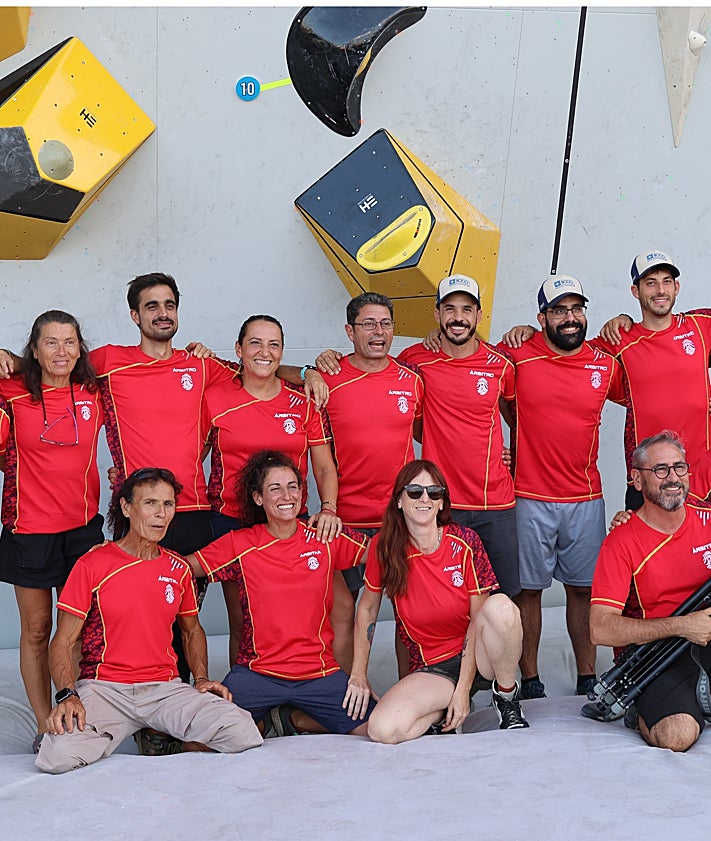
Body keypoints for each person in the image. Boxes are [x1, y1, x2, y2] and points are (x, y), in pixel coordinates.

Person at [34, 467, 262, 773]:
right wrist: (67, 694)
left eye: (168, 504)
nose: (161, 514)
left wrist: (202, 678)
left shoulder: (178, 568)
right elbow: (63, 640)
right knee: (56, 757)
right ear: (126, 507)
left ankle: (166, 738)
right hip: (105, 689)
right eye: (150, 503)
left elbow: (192, 631)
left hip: (164, 688)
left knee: (242, 731)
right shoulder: (92, 563)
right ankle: (130, 732)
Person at [186, 450, 374, 737]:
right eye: (275, 488)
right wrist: (124, 554)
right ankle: (260, 722)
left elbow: (384, 554)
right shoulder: (240, 543)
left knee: (378, 728)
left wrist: (422, 526)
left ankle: (294, 720)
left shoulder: (323, 536)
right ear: (258, 497)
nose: (286, 495)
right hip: (257, 674)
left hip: (319, 673)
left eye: (292, 486)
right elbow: (184, 567)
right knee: (198, 739)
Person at [503, 251, 711, 508]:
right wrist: (535, 333)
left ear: (677, 287)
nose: (660, 290)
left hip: (704, 476)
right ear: (635, 291)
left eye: (667, 281)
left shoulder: (702, 325)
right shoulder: (617, 341)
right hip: (647, 479)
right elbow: (567, 348)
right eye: (650, 283)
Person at [501, 276, 625, 699]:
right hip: (529, 497)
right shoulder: (518, 354)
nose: (570, 318)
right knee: (527, 591)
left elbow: (644, 394)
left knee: (583, 590)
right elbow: (480, 383)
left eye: (577, 309)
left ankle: (587, 678)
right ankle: (531, 680)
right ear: (541, 318)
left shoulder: (604, 363)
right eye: (559, 310)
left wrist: (623, 320)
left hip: (586, 498)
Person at [344, 459, 528, 742]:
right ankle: (442, 716)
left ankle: (506, 697)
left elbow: (479, 621)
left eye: (434, 492)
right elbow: (367, 609)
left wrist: (463, 692)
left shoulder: (465, 541)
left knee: (501, 607)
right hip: (435, 666)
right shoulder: (385, 547)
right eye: (415, 491)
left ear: (442, 503)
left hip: (480, 655)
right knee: (383, 729)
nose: (425, 499)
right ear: (399, 501)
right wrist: (358, 674)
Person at [202, 314, 346, 667]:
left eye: (274, 344)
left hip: (290, 521)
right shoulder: (214, 398)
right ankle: (246, 694)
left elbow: (325, 466)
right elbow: (190, 456)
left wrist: (328, 509)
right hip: (232, 522)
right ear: (238, 349)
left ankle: (333, 689)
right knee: (244, 620)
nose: (264, 352)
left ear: (282, 352)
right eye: (255, 343)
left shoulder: (304, 400)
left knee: (332, 607)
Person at [0, 311, 105, 753]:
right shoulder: (11, 392)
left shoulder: (96, 390)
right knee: (38, 628)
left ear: (80, 347)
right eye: (50, 343)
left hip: (81, 529)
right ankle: (46, 722)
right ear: (34, 349)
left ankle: (75, 709)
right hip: (29, 529)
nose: (61, 352)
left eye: (69, 342)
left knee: (78, 629)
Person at [396, 275, 520, 599]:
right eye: (449, 308)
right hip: (438, 503)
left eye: (467, 309)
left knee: (504, 599)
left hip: (495, 503)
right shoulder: (415, 360)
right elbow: (405, 417)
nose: (458, 317)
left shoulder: (501, 364)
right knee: (439, 600)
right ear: (437, 315)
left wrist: (514, 454)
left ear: (479, 316)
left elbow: (518, 415)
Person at [590, 431, 711, 752]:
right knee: (676, 735)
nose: (673, 478)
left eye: (679, 467)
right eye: (660, 470)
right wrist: (683, 625)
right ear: (637, 480)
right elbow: (600, 628)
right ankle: (644, 710)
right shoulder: (620, 542)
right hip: (660, 657)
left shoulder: (708, 520)